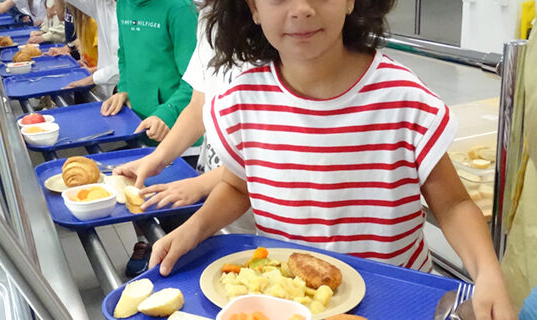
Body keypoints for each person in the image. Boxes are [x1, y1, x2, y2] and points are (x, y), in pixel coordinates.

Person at [148, 0, 516, 319]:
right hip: (293, 303)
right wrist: (191, 231)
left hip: (395, 301)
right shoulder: (242, 102)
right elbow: (236, 186)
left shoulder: (403, 100)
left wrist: (487, 273)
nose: (303, 9)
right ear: (254, 8)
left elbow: (452, 204)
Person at [113, 2, 255, 234]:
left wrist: (200, 185)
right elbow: (198, 103)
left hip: (260, 203)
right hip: (219, 191)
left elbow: (267, 150)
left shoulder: (276, 34)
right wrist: (156, 159)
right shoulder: (211, 19)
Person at [100, 0, 199, 144]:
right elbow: (124, 55)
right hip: (137, 126)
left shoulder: (180, 8)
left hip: (176, 133)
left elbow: (196, 79)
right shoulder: (123, 4)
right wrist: (124, 90)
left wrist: (168, 112)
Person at [46, 0, 120, 98]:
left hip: (118, 90)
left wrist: (90, 76)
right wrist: (69, 48)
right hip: (102, 89)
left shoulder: (132, 13)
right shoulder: (103, 6)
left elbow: (125, 64)